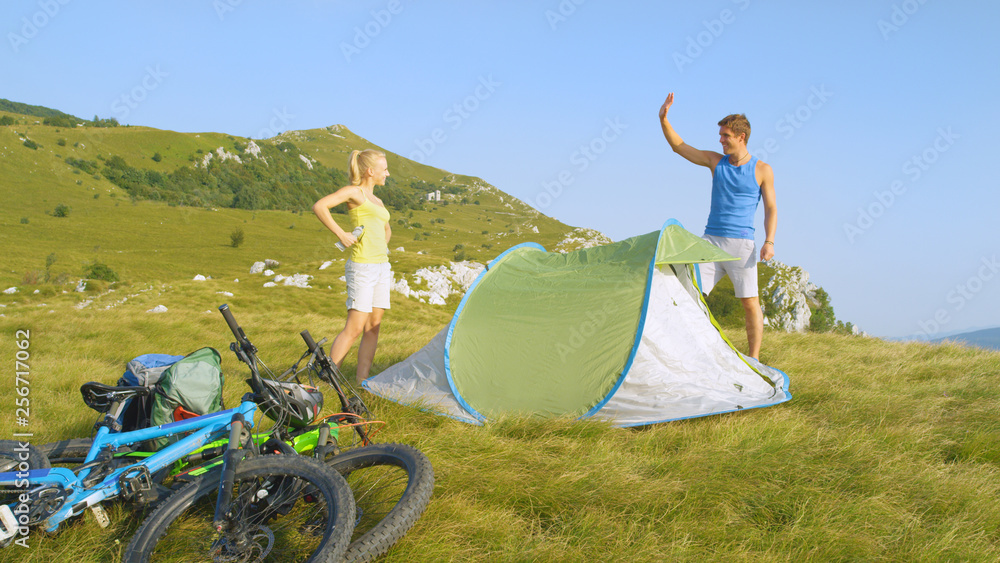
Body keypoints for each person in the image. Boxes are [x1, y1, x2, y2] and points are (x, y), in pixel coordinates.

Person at [658, 92, 776, 360]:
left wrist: (769, 241)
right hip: (710, 243)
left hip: (742, 245)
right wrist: (664, 119)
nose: (720, 140)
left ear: (740, 137)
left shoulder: (762, 169)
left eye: (725, 136)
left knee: (749, 304)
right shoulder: (715, 161)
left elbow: (771, 208)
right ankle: (690, 352)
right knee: (688, 294)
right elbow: (679, 147)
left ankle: (754, 359)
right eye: (720, 135)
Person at [312, 149, 392, 384]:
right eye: (384, 169)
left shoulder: (378, 200)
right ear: (370, 171)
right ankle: (329, 379)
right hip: (362, 267)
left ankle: (361, 382)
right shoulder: (354, 192)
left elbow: (386, 228)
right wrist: (341, 233)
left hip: (381, 267)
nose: (387, 173)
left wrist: (381, 245)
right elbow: (320, 206)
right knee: (355, 327)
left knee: (373, 327)